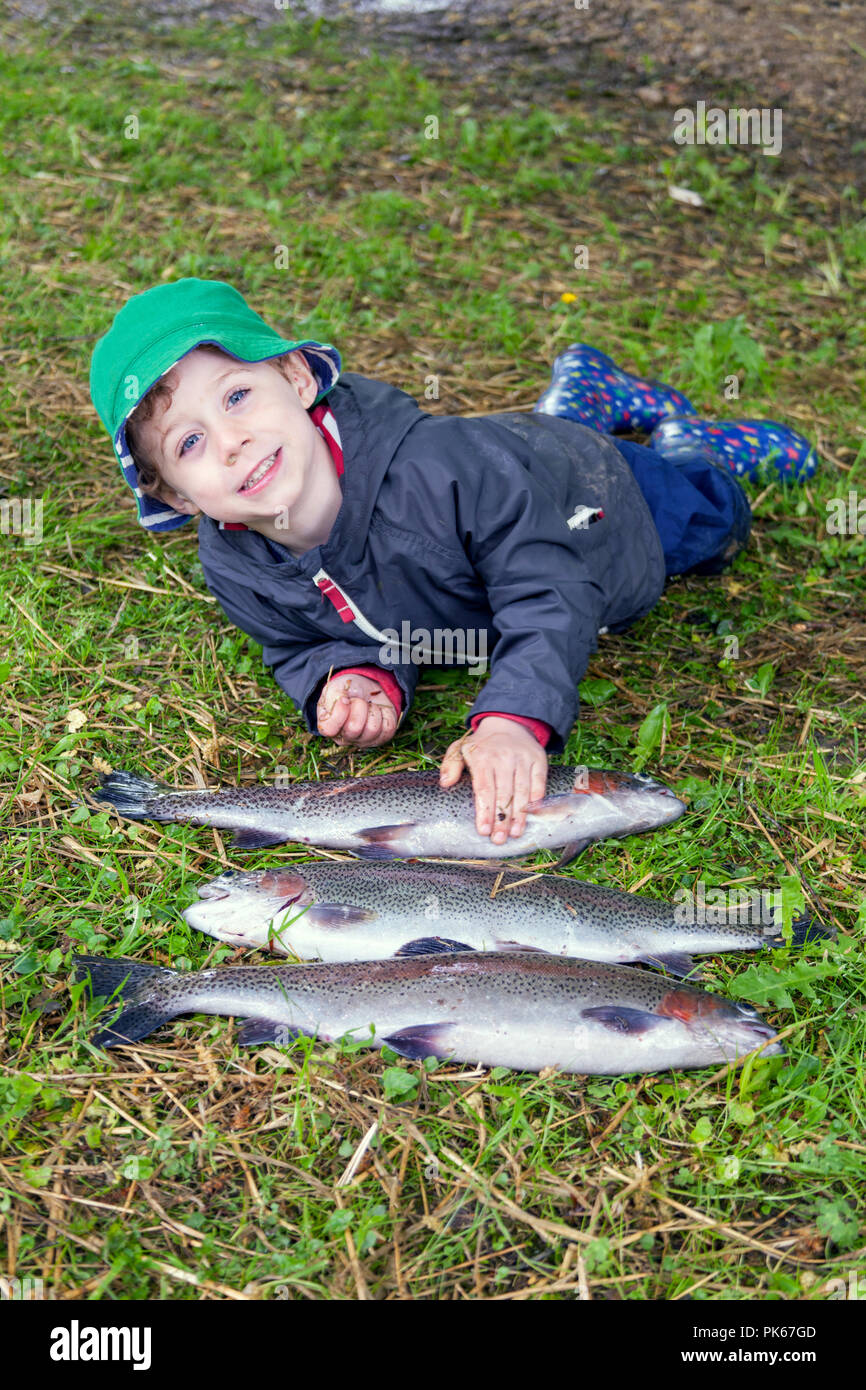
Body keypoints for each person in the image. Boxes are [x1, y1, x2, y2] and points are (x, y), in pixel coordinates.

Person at [89, 279, 817, 849]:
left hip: (601, 502)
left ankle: (693, 445)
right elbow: (301, 637)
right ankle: (582, 392)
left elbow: (548, 590)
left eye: (239, 396)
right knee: (535, 450)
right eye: (188, 444)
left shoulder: (439, 474)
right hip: (516, 468)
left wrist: (512, 719)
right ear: (175, 497)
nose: (231, 442)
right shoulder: (236, 560)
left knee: (714, 522)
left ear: (299, 379)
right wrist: (353, 677)